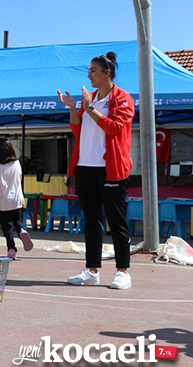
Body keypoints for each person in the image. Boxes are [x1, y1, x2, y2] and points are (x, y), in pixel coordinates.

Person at [58, 52, 135, 290]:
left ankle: (123, 271)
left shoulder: (123, 98)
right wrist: (73, 108)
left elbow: (114, 128)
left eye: (93, 70)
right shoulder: (87, 99)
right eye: (89, 71)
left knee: (116, 220)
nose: (89, 75)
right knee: (91, 221)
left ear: (107, 73)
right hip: (85, 167)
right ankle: (92, 269)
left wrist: (90, 108)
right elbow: (79, 130)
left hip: (110, 168)